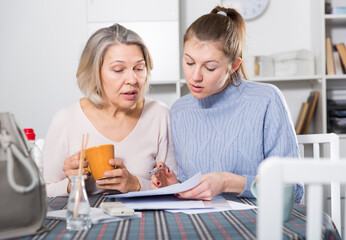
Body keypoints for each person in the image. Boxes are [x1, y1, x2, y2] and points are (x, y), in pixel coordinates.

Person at [151, 6, 303, 203]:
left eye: (210, 67)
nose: (195, 77)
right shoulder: (179, 110)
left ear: (234, 65)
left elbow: (293, 190)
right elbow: (194, 187)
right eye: (189, 63)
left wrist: (227, 182)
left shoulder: (266, 100)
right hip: (200, 223)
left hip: (257, 223)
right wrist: (175, 185)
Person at [42, 23, 176, 197]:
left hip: (145, 221)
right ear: (94, 73)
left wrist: (135, 184)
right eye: (118, 70)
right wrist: (72, 184)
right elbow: (44, 191)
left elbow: (174, 186)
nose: (133, 79)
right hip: (86, 220)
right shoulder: (65, 119)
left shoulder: (159, 114)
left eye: (139, 68)